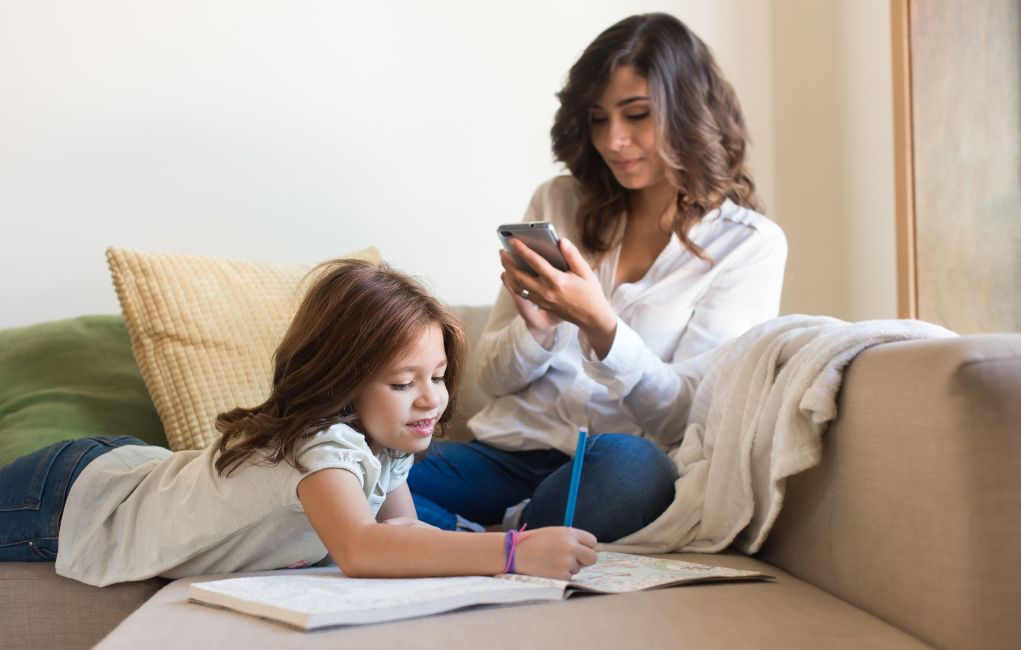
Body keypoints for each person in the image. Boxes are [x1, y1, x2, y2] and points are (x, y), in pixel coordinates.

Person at [409, 13, 788, 541]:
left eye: (637, 115)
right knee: (356, 471)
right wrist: (537, 331)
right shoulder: (558, 201)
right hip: (505, 456)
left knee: (632, 471)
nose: (614, 140)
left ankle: (465, 539)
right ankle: (495, 541)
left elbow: (686, 418)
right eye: (597, 119)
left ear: (689, 113)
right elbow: (490, 381)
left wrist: (600, 327)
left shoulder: (748, 245)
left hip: (609, 467)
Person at [0, 260, 597, 586]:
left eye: (438, 376)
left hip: (136, 468)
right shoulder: (320, 445)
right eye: (401, 382)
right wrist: (513, 551)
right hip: (71, 495)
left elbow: (406, 535)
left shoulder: (386, 445)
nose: (430, 400)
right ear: (341, 380)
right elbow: (363, 548)